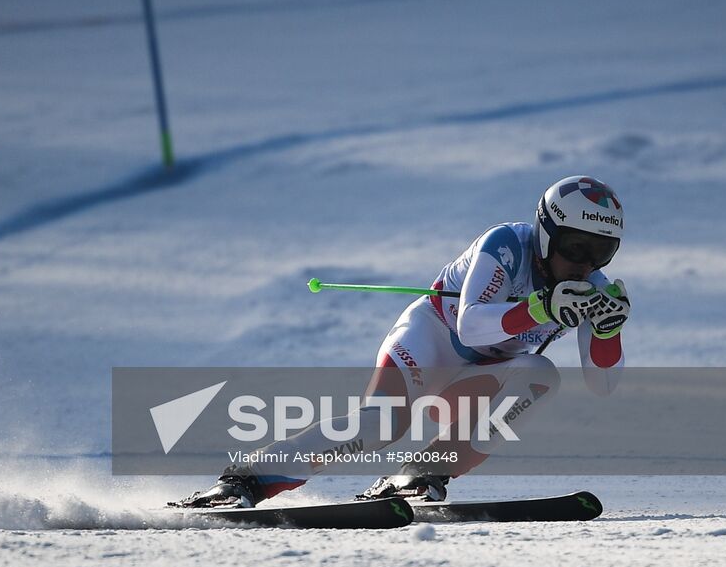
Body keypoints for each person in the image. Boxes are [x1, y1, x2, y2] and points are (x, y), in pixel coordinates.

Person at [171, 175, 631, 508]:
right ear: (547, 232)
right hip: (431, 341)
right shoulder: (505, 245)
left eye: (601, 251)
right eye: (575, 246)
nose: (585, 264)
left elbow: (603, 386)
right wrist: (542, 308)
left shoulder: (592, 287)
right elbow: (470, 326)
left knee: (540, 376)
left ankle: (422, 472)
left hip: (475, 376)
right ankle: (245, 481)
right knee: (382, 425)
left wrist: (608, 331)